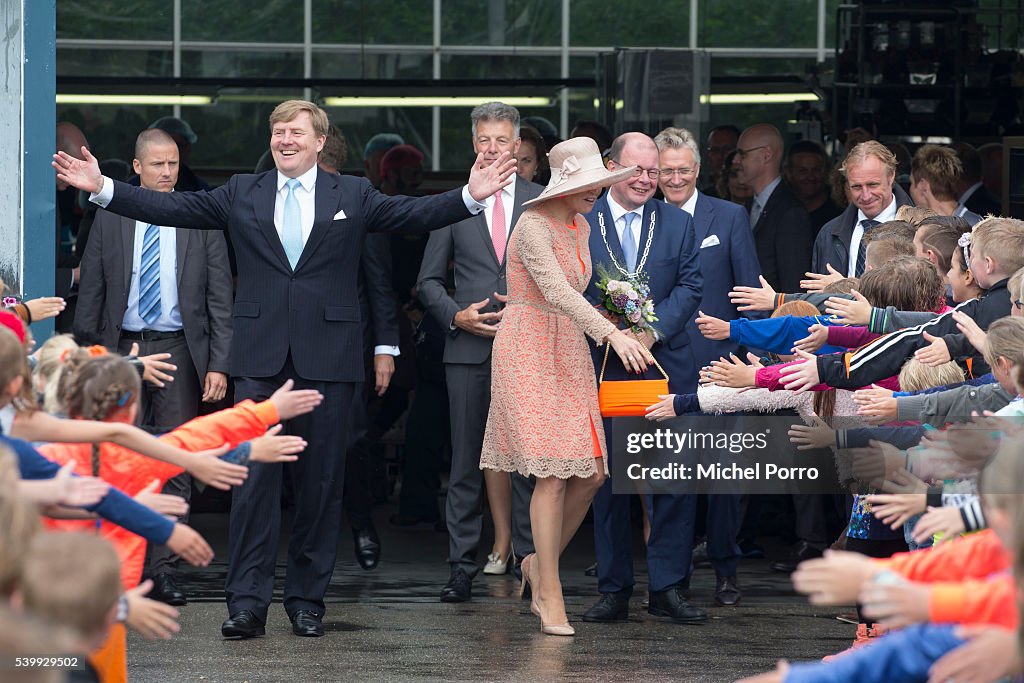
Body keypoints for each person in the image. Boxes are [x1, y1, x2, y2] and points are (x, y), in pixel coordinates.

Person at [53, 98, 516, 640]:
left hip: (329, 356)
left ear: (321, 142)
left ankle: (306, 600)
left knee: (321, 484)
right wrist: (103, 188)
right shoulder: (241, 192)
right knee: (252, 483)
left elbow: (410, 215)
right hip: (259, 358)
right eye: (278, 131)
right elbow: (173, 210)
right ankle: (247, 602)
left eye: (296, 131)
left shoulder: (353, 193)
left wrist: (469, 196)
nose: (285, 139)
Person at [480, 136, 652, 635]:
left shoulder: (579, 225)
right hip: (527, 345)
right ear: (562, 185)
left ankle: (536, 562)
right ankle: (549, 595)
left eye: (601, 184)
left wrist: (626, 315)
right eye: (588, 184)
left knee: (594, 471)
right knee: (553, 473)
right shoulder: (532, 224)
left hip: (569, 348)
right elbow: (553, 290)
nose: (596, 192)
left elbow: (578, 292)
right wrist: (612, 333)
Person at [73, 128, 233, 606]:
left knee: (174, 458)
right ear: (136, 167)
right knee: (116, 459)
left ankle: (164, 569)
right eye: (158, 165)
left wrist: (220, 364)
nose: (167, 173)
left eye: (174, 165)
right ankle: (121, 565)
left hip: (181, 350)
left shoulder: (200, 217)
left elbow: (220, 298)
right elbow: (93, 293)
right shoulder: (112, 213)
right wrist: (87, 358)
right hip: (121, 350)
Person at [417, 102, 542, 601]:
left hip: (528, 351)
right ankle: (461, 565)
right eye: (484, 140)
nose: (492, 148)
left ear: (518, 146)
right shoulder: (454, 203)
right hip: (466, 350)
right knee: (467, 459)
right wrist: (455, 315)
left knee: (529, 462)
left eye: (502, 140)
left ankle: (532, 564)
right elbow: (426, 281)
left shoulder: (541, 201)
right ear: (474, 145)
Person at [582, 132, 705, 625]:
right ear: (611, 168)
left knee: (669, 481)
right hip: (602, 363)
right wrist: (609, 329)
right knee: (609, 483)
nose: (648, 181)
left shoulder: (676, 222)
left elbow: (693, 284)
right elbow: (571, 284)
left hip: (664, 364)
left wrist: (650, 333)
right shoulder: (581, 221)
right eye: (637, 171)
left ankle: (668, 588)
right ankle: (613, 589)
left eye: (653, 172)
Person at [654, 125, 760, 605]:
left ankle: (725, 568)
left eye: (682, 170)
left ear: (697, 170)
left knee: (726, 476)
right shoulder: (643, 218)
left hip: (723, 364)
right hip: (659, 363)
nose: (675, 179)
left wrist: (752, 349)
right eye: (666, 171)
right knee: (671, 473)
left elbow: (748, 292)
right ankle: (670, 577)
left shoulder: (730, 216)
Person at [812, 141, 913, 278]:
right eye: (857, 187)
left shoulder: (919, 231)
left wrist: (843, 288)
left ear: (891, 177)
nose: (865, 196)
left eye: (873, 185)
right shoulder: (828, 235)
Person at [733, 124, 814, 292]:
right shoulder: (747, 206)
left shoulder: (791, 213)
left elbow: (794, 285)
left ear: (766, 155)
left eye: (742, 154)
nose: (736, 160)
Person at [909, 144, 983, 225]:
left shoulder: (976, 230)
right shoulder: (976, 226)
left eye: (912, 183)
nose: (910, 189)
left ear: (923, 185)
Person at [785, 140, 842, 234]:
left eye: (816, 170)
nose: (811, 177)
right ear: (788, 173)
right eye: (802, 171)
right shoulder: (782, 210)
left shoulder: (838, 214)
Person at [147, 116, 211, 192]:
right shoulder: (134, 187)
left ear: (187, 149)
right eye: (164, 146)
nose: (172, 153)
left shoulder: (199, 187)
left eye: (179, 146)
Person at [701, 124, 740, 196]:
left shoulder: (752, 194)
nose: (720, 156)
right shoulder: (704, 199)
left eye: (727, 149)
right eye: (715, 150)